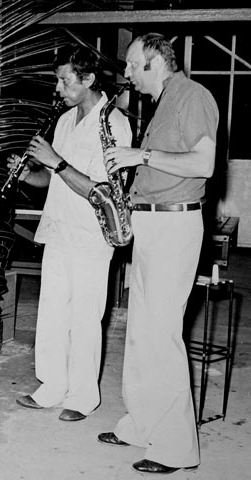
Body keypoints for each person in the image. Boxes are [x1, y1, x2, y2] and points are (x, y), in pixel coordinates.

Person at [100, 33, 218, 475]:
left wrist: (139, 154)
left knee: (163, 336)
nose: (127, 74)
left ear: (154, 61)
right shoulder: (163, 103)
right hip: (150, 222)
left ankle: (175, 448)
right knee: (140, 333)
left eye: (132, 65)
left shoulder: (193, 96)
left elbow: (202, 165)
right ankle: (140, 423)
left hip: (175, 224)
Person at [10, 46, 132, 421]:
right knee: (51, 313)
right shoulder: (64, 121)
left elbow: (102, 189)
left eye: (65, 80)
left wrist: (54, 160)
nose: (58, 87)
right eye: (57, 79)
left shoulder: (114, 123)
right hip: (59, 230)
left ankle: (81, 396)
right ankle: (51, 386)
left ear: (89, 79)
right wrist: (28, 174)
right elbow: (52, 179)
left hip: (91, 235)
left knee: (84, 317)